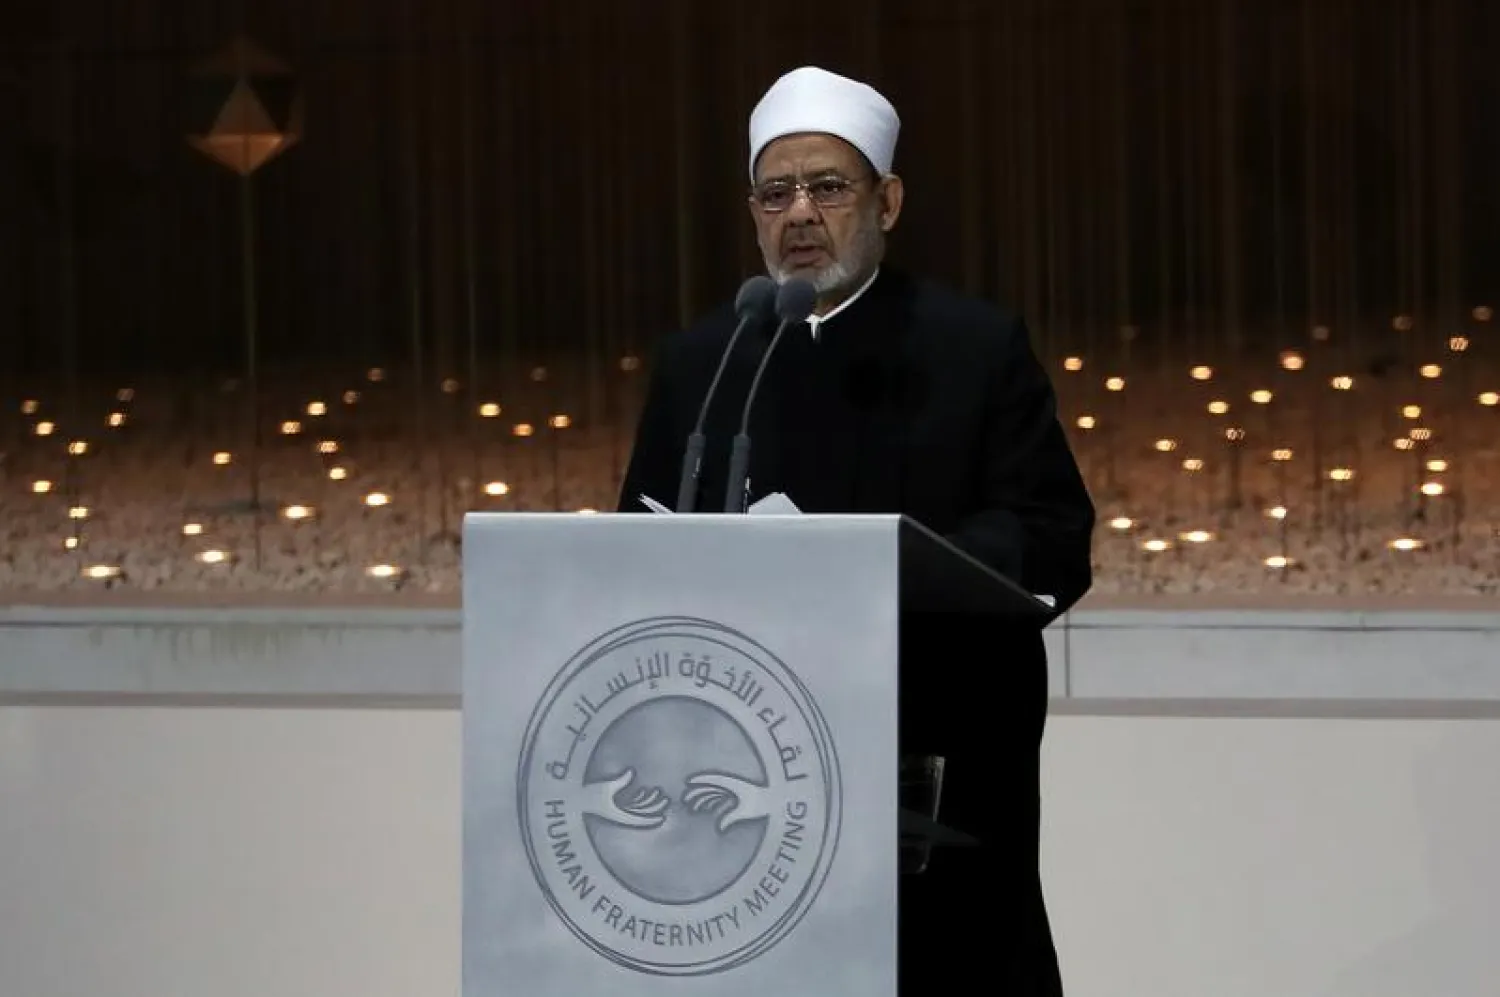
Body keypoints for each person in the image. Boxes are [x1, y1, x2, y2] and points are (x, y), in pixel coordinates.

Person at [617, 65, 1095, 996]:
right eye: (776, 192)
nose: (800, 214)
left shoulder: (974, 344)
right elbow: (636, 543)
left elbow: (1051, 533)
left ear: (889, 200)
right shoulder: (703, 362)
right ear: (752, 213)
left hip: (935, 748)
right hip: (743, 781)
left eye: (828, 187)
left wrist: (891, 569)